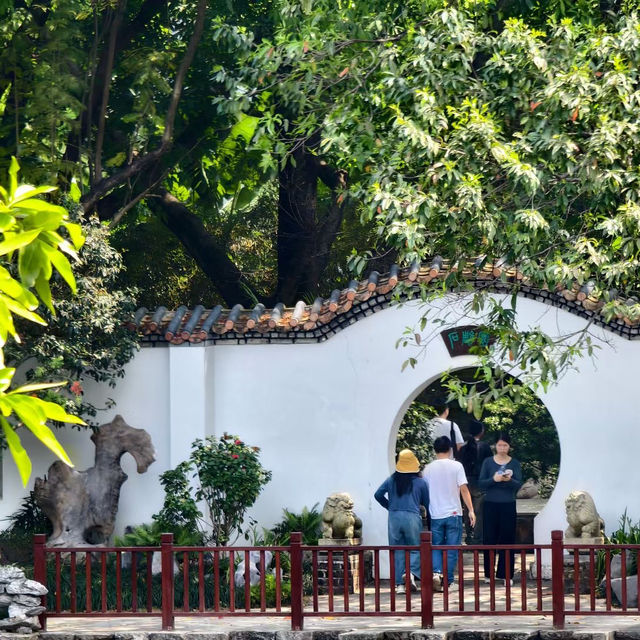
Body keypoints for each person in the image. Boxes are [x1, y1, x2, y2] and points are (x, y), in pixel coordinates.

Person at [423, 436, 476, 590]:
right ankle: (449, 581)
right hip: (453, 513)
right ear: (450, 449)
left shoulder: (428, 468)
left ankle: (437, 573)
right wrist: (471, 510)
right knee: (452, 548)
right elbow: (464, 489)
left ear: (435, 450)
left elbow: (425, 491)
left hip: (435, 514)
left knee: (436, 546)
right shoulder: (457, 466)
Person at [374, 449, 430, 594]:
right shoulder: (420, 482)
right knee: (415, 548)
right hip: (412, 516)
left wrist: (390, 506)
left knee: (397, 549)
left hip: (394, 517)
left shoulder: (391, 480)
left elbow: (378, 494)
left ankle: (399, 585)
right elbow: (426, 502)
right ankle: (410, 574)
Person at [478, 431, 523, 585]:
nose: (502, 448)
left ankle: (506, 574)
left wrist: (508, 480)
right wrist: (494, 479)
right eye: (499, 445)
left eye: (505, 445)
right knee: (489, 538)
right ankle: (488, 574)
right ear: (495, 446)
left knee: (508, 538)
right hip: (490, 504)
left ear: (509, 447)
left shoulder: (514, 463)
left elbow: (518, 485)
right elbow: (481, 483)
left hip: (508, 504)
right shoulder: (488, 462)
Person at [460, 419, 493, 545]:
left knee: (468, 508)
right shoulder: (485, 447)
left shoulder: (463, 447)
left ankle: (469, 535)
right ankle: (478, 538)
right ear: (481, 431)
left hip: (465, 481)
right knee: (479, 511)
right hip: (480, 482)